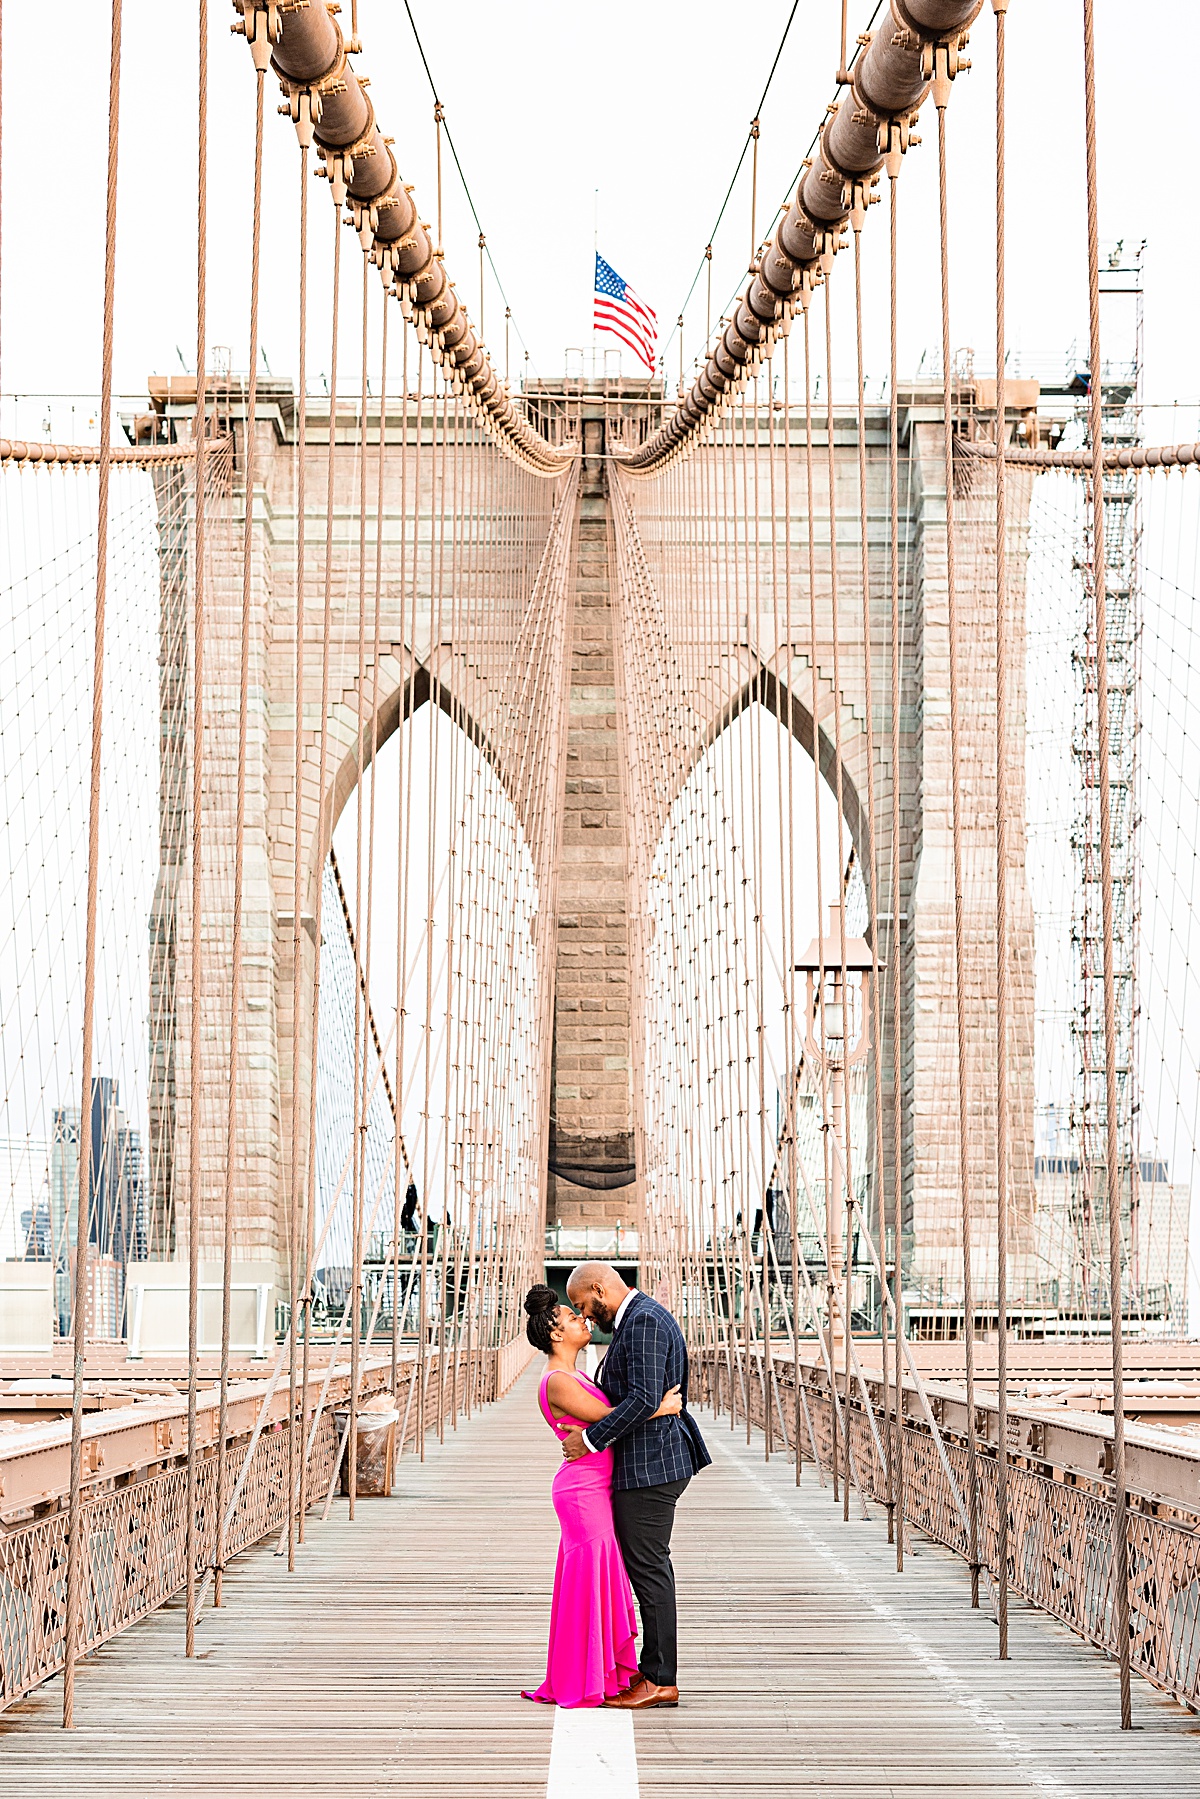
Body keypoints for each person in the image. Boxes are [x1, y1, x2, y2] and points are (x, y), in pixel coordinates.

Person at [520, 1283, 683, 1709]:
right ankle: (586, 1677)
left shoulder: (574, 1374)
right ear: (556, 1334)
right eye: (572, 1316)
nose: (582, 1319)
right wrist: (660, 1406)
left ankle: (601, 1672)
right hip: (583, 1492)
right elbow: (613, 1417)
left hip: (594, 1487)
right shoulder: (557, 1381)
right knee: (589, 1582)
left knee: (598, 1581)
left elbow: (607, 1419)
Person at [562, 1261, 711, 1711]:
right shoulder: (637, 1318)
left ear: (597, 1289)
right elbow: (646, 1398)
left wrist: (588, 1440)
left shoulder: (643, 1320)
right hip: (647, 1462)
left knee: (648, 1569)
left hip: (653, 1466)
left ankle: (661, 1678)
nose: (584, 1315)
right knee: (646, 1566)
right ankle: (652, 1671)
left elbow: (644, 1398)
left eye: (581, 1305)